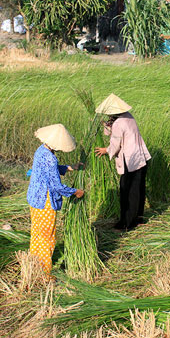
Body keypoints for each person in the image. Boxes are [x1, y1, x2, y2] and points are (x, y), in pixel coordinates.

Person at [27, 123, 84, 275]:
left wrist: (70, 167)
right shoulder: (50, 158)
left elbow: (50, 169)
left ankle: (33, 264)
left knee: (37, 233)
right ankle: (45, 272)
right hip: (45, 201)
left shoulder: (41, 150)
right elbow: (56, 186)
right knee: (47, 237)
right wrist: (75, 192)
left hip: (34, 198)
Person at [95, 94, 151, 230]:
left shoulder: (119, 123)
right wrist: (107, 125)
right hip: (141, 157)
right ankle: (138, 218)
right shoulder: (128, 116)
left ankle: (127, 223)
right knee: (138, 189)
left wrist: (105, 150)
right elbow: (114, 133)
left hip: (130, 160)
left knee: (128, 191)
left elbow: (115, 143)